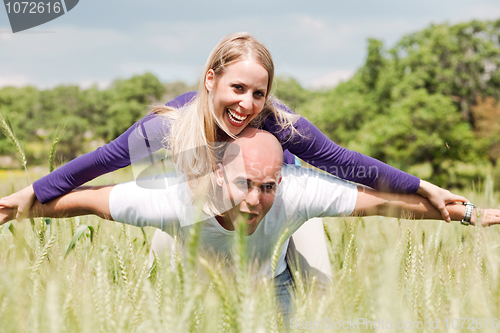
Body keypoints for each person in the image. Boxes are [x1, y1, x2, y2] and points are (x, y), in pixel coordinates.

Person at [0, 32, 467, 285]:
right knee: (173, 283)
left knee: (317, 284)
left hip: (279, 210)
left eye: (258, 93)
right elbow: (97, 165)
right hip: (193, 211)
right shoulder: (167, 126)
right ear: (210, 80)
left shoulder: (279, 124)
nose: (247, 104)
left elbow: (347, 163)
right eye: (237, 88)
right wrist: (30, 193)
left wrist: (420, 186)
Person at [2, 128, 498, 318]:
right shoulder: (171, 199)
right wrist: (15, 207)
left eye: (269, 186)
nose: (258, 199)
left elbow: (392, 203)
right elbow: (83, 199)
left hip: (272, 276)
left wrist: (471, 214)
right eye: (245, 185)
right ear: (217, 174)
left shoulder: (298, 189)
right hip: (197, 279)